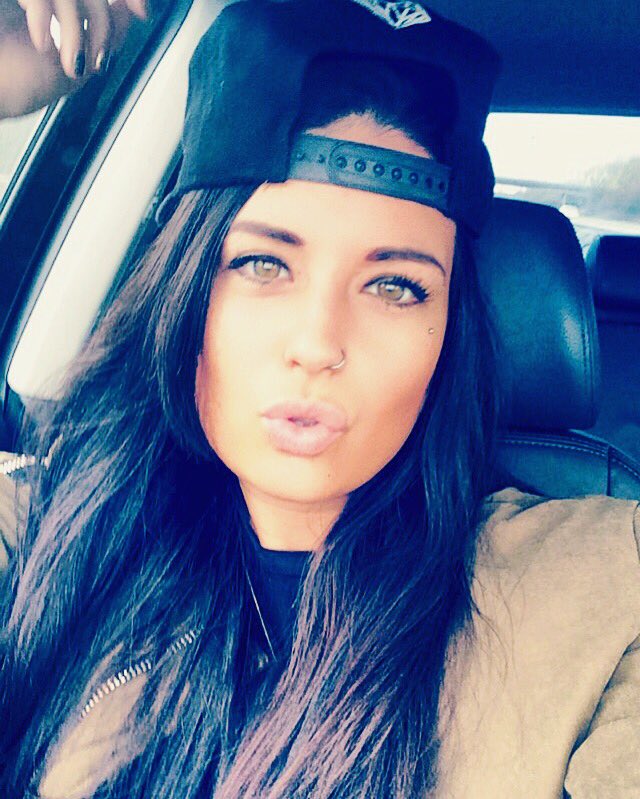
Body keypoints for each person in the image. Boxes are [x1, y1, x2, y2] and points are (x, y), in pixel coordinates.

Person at [0, 1, 639, 797]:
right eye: (263, 265)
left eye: (395, 285)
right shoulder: (50, 530)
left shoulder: (603, 595)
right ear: (185, 295)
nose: (318, 342)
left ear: (449, 334)